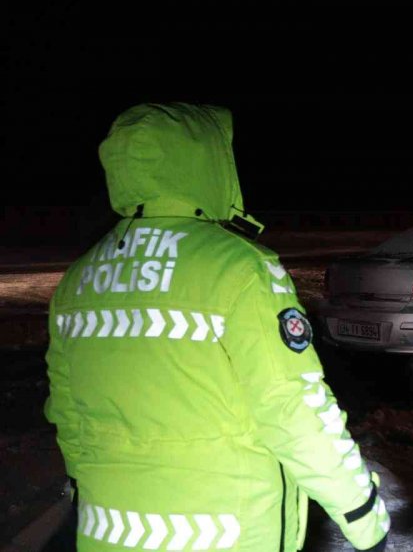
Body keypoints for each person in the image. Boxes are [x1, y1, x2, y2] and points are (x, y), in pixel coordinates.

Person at [45, 103, 389, 551]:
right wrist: (362, 516)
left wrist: (82, 489)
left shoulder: (78, 279)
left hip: (109, 530)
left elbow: (68, 413)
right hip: (224, 532)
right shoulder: (239, 268)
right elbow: (292, 407)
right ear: (206, 164)